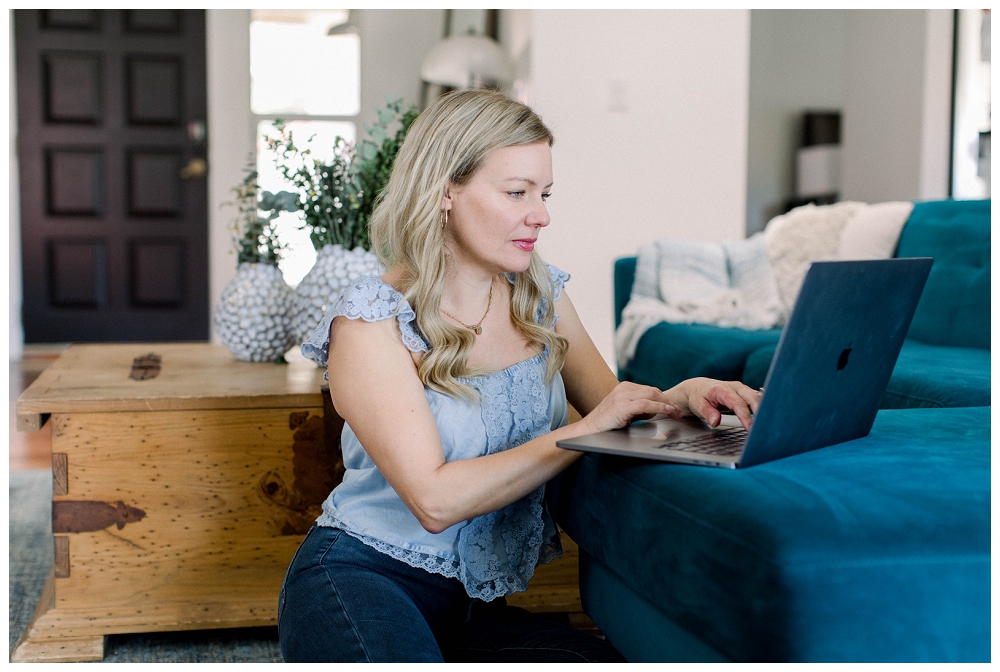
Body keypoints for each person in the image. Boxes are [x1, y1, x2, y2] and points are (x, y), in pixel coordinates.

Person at [279, 89, 761, 663]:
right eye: (516, 193)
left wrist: (682, 397)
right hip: (361, 579)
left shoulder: (541, 297)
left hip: (473, 609)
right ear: (444, 193)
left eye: (545, 193)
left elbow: (613, 410)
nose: (542, 214)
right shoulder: (372, 323)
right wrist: (577, 435)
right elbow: (433, 499)